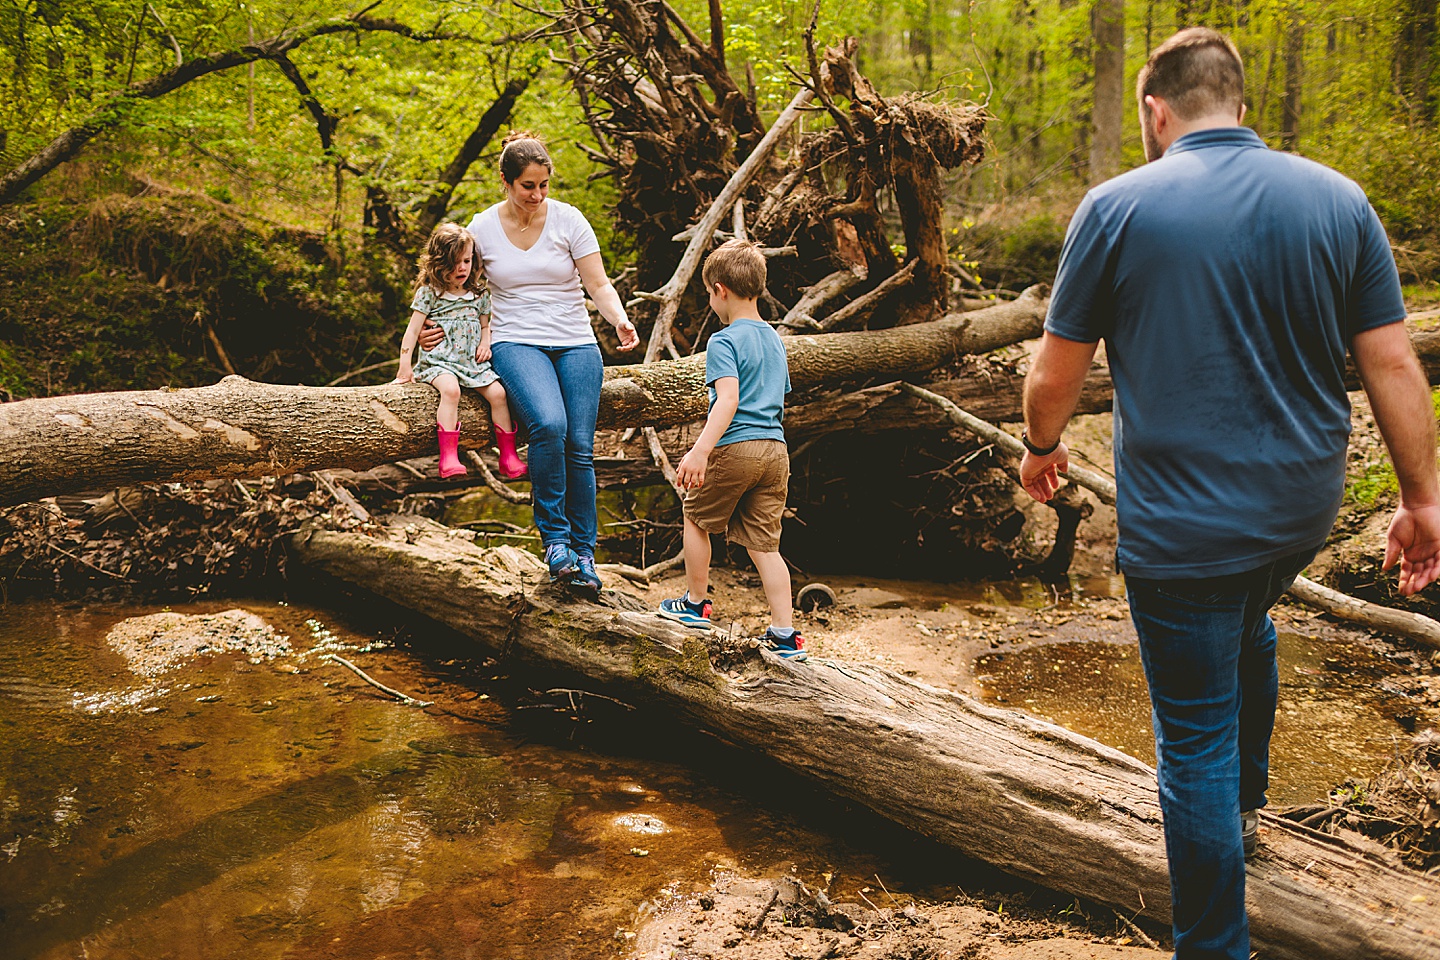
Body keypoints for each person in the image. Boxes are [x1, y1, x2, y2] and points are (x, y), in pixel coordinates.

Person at [1018, 27, 1440, 960]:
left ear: (1154, 112)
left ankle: (1213, 946)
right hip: (1300, 511)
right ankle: (1245, 813)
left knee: (1192, 743)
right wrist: (1423, 500)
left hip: (1184, 526)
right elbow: (1394, 360)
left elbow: (1054, 375)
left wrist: (1040, 448)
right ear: (1240, 107)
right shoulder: (1338, 199)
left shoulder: (1117, 205)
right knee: (1249, 622)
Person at [420, 131, 638, 595]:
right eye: (528, 186)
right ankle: (556, 543)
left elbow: (597, 284)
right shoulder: (480, 227)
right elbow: (450, 281)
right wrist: (427, 327)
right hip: (515, 340)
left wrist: (619, 320)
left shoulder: (569, 220)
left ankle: (585, 553)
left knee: (580, 445)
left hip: (576, 341)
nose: (537, 196)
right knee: (549, 426)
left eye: (543, 185)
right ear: (506, 180)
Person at [655, 239, 804, 661]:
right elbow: (776, 396)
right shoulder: (774, 340)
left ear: (719, 290)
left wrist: (701, 450)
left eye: (708, 292)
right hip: (775, 451)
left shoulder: (724, 341)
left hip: (736, 445)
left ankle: (696, 603)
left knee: (695, 515)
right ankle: (785, 633)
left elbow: (729, 400)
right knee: (765, 544)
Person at [396, 222, 525, 480]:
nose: (462, 268)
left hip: (471, 364)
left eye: (467, 260)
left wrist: (485, 343)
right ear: (439, 262)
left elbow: (485, 325)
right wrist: (404, 366)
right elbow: (412, 331)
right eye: (455, 262)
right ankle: (449, 457)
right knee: (451, 390)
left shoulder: (478, 294)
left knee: (498, 393)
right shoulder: (430, 294)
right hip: (439, 362)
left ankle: (508, 455)